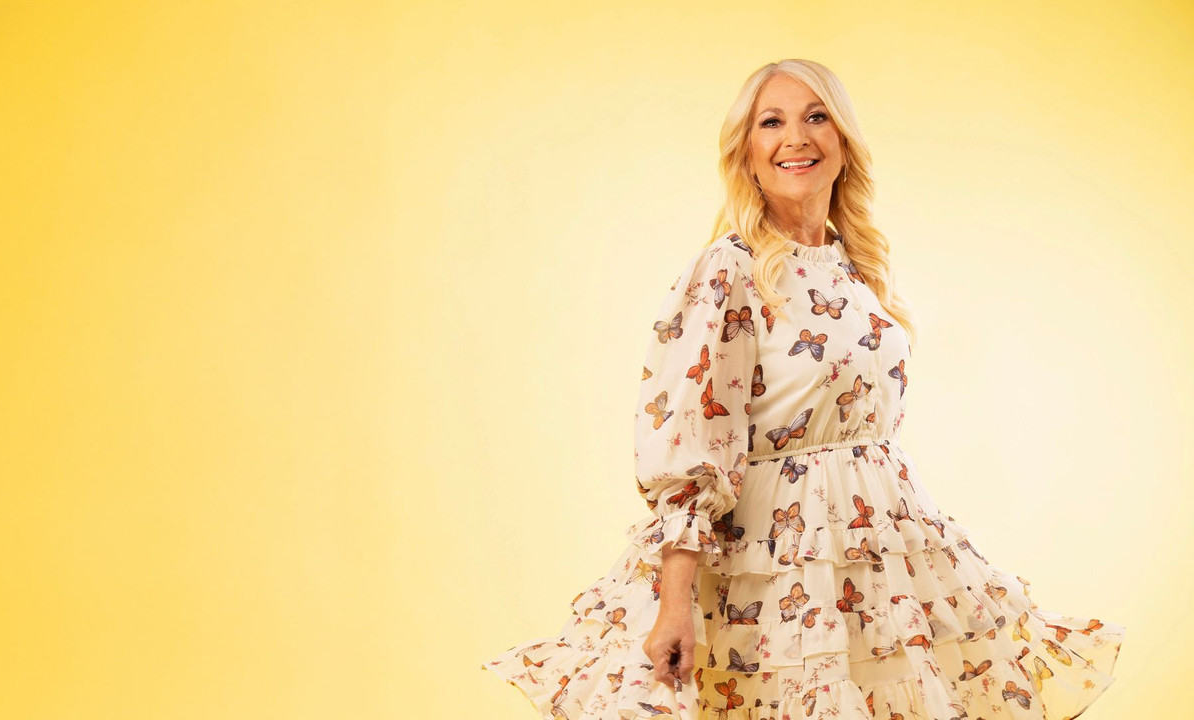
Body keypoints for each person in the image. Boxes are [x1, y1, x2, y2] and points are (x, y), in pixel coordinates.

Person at [481, 58, 1124, 720]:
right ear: (747, 153)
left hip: (876, 557)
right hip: (775, 562)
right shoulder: (729, 269)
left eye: (817, 117)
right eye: (772, 122)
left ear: (843, 141)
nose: (796, 138)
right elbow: (692, 432)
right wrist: (675, 603)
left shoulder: (858, 265)